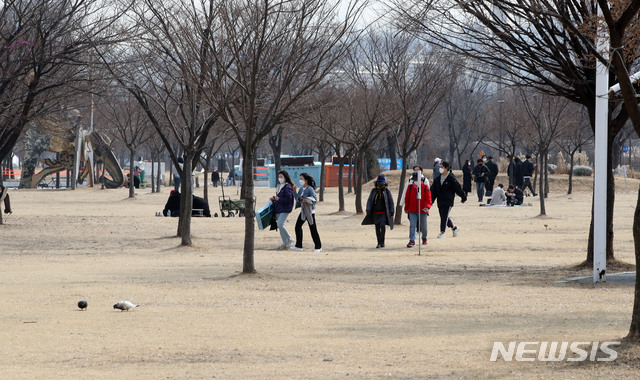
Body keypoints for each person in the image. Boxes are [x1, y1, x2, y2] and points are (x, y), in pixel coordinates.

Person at [430, 161, 466, 238]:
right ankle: (454, 228)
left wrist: (463, 197)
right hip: (440, 200)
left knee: (444, 216)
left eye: (442, 167)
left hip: (448, 200)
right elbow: (433, 191)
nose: (440, 168)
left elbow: (458, 189)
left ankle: (442, 232)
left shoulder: (451, 178)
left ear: (446, 168)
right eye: (440, 167)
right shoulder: (437, 179)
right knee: (443, 216)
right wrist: (430, 201)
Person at [290, 173, 322, 252]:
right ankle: (299, 246)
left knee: (313, 229)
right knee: (297, 227)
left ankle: (318, 247)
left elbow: (314, 199)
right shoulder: (301, 189)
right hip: (303, 211)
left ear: (306, 180)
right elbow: (298, 199)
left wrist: (306, 200)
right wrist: (294, 191)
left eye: (302, 179)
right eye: (300, 179)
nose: (300, 180)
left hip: (310, 212)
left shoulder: (310, 189)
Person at [362, 174, 395, 248]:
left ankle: (382, 241)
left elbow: (391, 201)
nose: (381, 184)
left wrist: (392, 211)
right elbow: (370, 200)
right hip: (375, 212)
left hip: (384, 212)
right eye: (379, 182)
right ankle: (379, 243)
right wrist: (368, 209)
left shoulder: (387, 191)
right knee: (377, 227)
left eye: (382, 182)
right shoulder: (374, 190)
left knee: (382, 226)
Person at [402, 171, 431, 247]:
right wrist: (406, 207)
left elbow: (429, 199)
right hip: (412, 210)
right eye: (414, 180)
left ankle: (424, 238)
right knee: (412, 225)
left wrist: (427, 207)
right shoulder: (410, 187)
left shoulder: (425, 187)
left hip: (422, 210)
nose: (416, 182)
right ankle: (412, 240)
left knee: (424, 226)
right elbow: (407, 198)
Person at [270, 170, 295, 249]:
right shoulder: (279, 186)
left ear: (285, 177)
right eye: (279, 177)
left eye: (281, 177)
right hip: (279, 208)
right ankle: (285, 243)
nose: (279, 178)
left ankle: (289, 239)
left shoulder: (287, 187)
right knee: (280, 226)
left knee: (280, 224)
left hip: (285, 209)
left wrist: (278, 199)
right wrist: (274, 199)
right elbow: (279, 197)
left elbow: (288, 199)